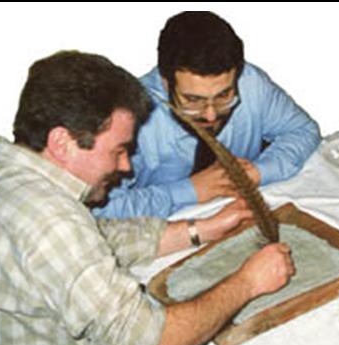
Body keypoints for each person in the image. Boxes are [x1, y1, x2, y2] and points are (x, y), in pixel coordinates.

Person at [0, 51, 294, 345]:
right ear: (62, 143)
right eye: (117, 150)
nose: (126, 166)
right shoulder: (49, 222)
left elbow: (95, 238)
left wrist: (199, 229)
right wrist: (249, 281)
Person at [93, 11, 321, 219]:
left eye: (224, 95)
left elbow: (304, 131)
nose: (211, 116)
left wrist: (258, 171)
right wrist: (189, 191)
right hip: (163, 233)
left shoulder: (251, 82)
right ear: (165, 81)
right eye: (193, 100)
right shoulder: (127, 115)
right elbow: (101, 209)